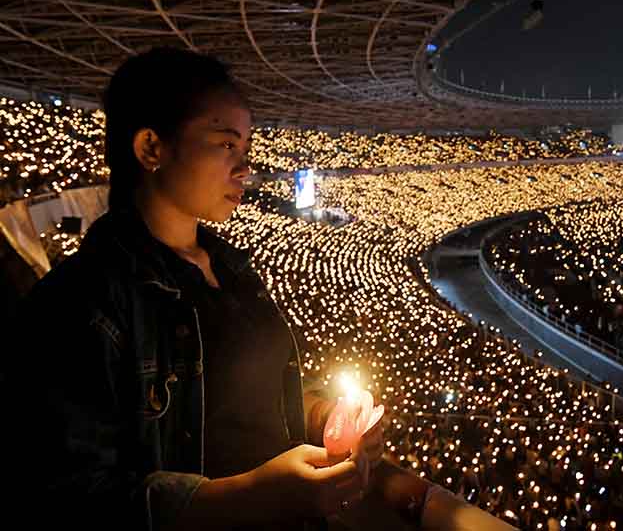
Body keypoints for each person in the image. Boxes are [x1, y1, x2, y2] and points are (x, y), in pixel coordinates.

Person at [2, 48, 515, 531]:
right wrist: (250, 495)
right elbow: (69, 498)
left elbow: (253, 390)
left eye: (246, 146)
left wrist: (322, 419)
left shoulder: (233, 270)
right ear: (151, 147)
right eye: (226, 143)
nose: (245, 167)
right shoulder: (80, 302)